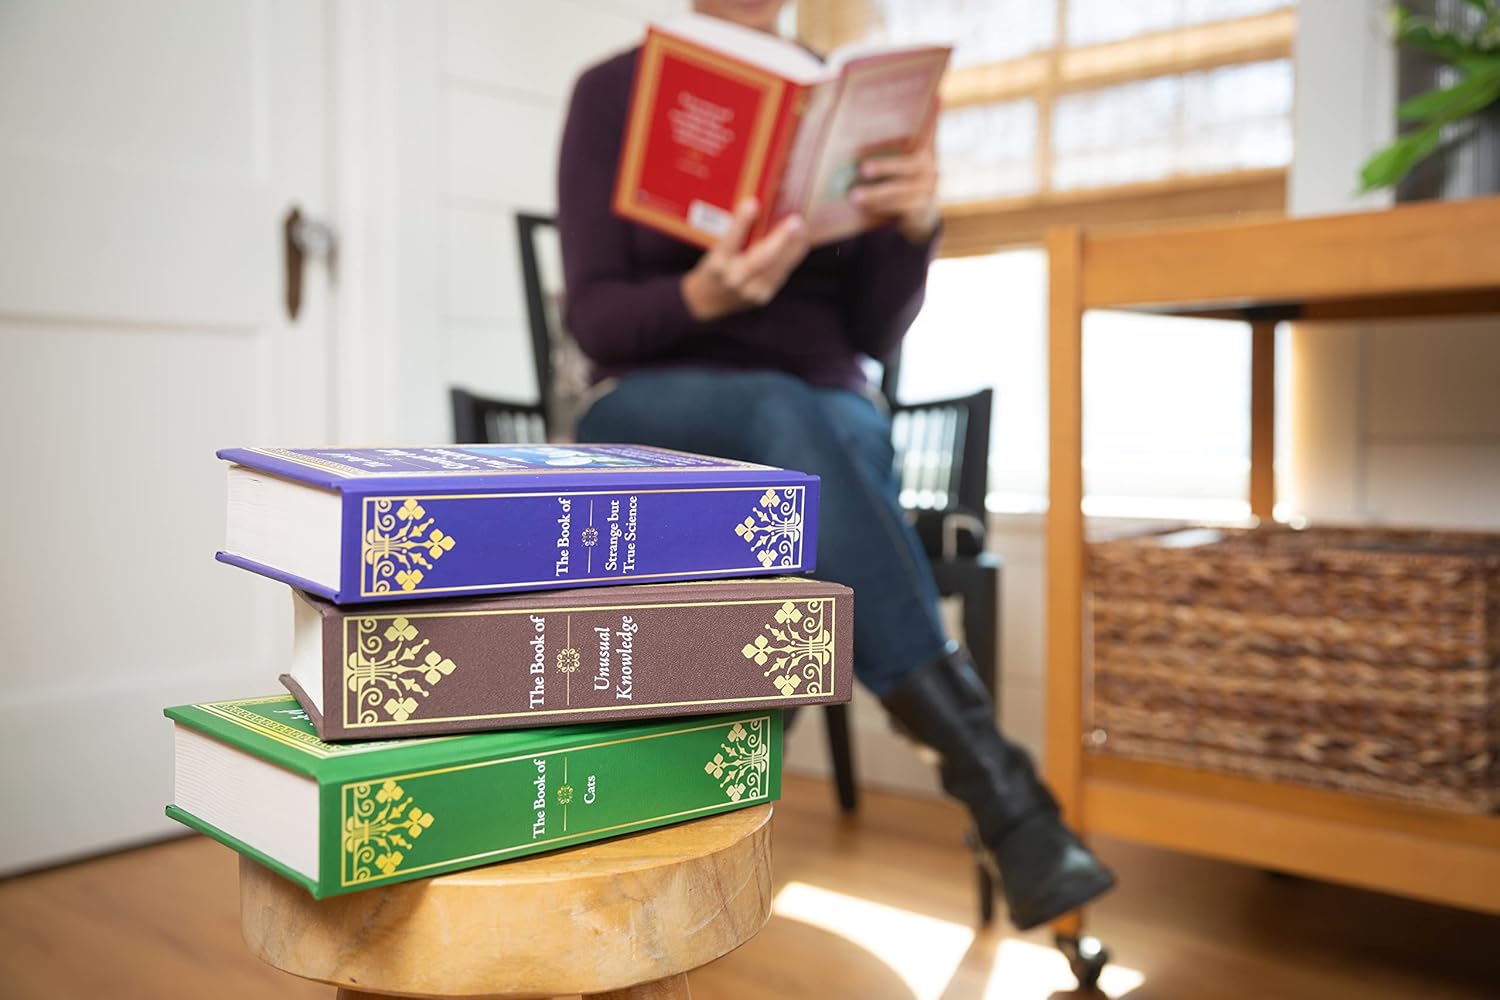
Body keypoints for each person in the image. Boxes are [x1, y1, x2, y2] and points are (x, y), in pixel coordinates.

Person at [556, 0, 1114, 931]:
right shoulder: (611, 93)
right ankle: (998, 791)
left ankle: (696, 835)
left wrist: (913, 226)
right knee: (812, 426)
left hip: (825, 413)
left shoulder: (839, 103)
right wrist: (705, 292)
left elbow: (873, 332)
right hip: (655, 407)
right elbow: (595, 321)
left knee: (824, 432)